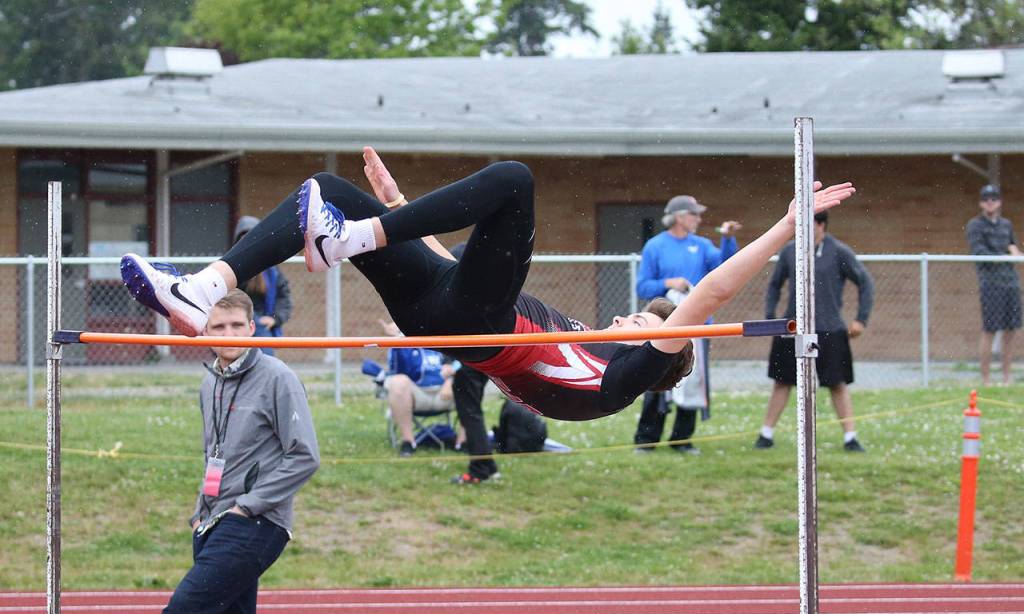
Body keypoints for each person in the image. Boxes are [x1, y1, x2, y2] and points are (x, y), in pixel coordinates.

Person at [120, 147, 856, 423]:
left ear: (659, 347)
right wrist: (403, 206)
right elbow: (460, 274)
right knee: (329, 189)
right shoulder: (578, 339)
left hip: (467, 325)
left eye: (642, 317)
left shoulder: (619, 375)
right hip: (446, 313)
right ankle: (204, 284)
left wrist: (786, 225)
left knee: (514, 181)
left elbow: (710, 296)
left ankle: (355, 236)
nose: (630, 314)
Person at [133, 290, 320, 614]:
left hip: (255, 522)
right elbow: (213, 454)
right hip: (212, 522)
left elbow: (304, 456)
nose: (230, 333)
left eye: (238, 325)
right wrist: (200, 513)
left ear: (252, 328)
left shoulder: (278, 379)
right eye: (219, 326)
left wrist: (248, 505)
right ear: (206, 330)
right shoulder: (210, 382)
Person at [754, 210, 874, 453]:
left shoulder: (839, 251)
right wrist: (771, 317)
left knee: (837, 383)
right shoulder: (789, 251)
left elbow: (865, 282)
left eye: (807, 225)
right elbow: (775, 285)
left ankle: (850, 437)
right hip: (793, 328)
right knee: (782, 381)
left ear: (820, 226)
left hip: (829, 329)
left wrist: (861, 319)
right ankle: (766, 434)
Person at [634, 196, 741, 454]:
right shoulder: (655, 246)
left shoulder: (702, 245)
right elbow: (643, 286)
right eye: (694, 214)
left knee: (691, 379)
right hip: (664, 325)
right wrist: (669, 283)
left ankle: (682, 440)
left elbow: (727, 265)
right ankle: (647, 440)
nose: (699, 219)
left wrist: (727, 238)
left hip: (697, 326)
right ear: (680, 216)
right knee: (656, 378)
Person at [448, 242, 500, 485]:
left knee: (470, 413)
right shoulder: (487, 282)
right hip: (481, 357)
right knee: (472, 411)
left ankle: (481, 468)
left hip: (472, 360)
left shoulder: (468, 291)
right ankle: (486, 463)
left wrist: (455, 365)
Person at [966, 184, 1021, 385]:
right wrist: (1006, 256)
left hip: (1011, 283)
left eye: (994, 198)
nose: (990, 202)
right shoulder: (975, 225)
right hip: (991, 284)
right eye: (986, 199)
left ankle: (1007, 377)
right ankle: (986, 379)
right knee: (990, 330)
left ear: (999, 202)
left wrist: (1014, 253)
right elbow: (980, 255)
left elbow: (1013, 247)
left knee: (1011, 330)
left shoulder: (1006, 225)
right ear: (981, 203)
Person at [378, 319, 456, 457]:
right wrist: (397, 339)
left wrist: (450, 381)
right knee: (398, 382)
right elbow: (400, 369)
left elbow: (464, 362)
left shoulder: (445, 330)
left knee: (469, 379)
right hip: (417, 395)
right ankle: (409, 442)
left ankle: (464, 442)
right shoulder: (404, 339)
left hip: (447, 392)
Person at [232, 216, 293, 355]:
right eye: (244, 238)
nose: (248, 242)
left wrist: (274, 318)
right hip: (238, 323)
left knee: (266, 362)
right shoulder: (231, 269)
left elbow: (284, 298)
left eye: (252, 237)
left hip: (262, 325)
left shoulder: (272, 271)